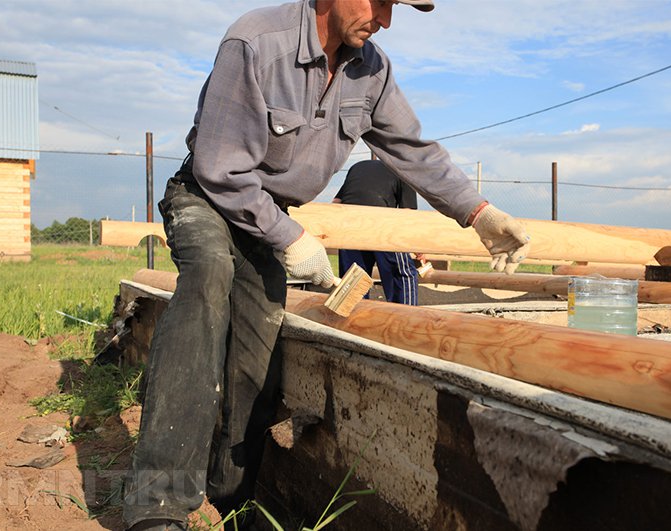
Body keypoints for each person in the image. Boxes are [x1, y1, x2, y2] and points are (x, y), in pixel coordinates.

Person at [122, 1, 531, 529]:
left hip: (271, 216)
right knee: (207, 284)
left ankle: (233, 500)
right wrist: (291, 239)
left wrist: (478, 212)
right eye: (380, 1)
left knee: (257, 351)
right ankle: (158, 503)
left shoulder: (371, 69)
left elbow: (411, 149)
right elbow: (220, 168)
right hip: (208, 198)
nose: (385, 19)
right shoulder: (255, 42)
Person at [333, 159, 420, 305]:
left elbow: (335, 203)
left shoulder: (358, 166)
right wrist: (416, 247)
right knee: (402, 275)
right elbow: (407, 215)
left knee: (352, 280)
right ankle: (406, 319)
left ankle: (349, 322)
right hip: (381, 223)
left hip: (348, 224)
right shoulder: (406, 170)